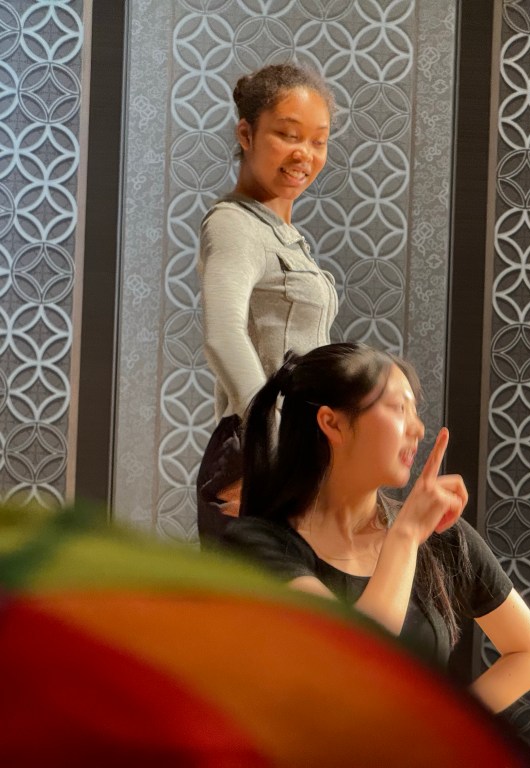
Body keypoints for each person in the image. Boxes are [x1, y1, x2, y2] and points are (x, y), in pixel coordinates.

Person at [221, 342, 530, 712]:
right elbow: (355, 661)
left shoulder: (440, 536)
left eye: (416, 411)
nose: (419, 428)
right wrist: (406, 536)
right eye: (399, 408)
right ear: (332, 423)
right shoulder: (255, 546)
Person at [196, 62, 338, 545]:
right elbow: (223, 335)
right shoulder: (234, 224)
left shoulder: (280, 234)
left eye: (318, 141)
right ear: (246, 134)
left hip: (297, 452)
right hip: (262, 455)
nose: (304, 154)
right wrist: (271, 444)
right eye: (288, 135)